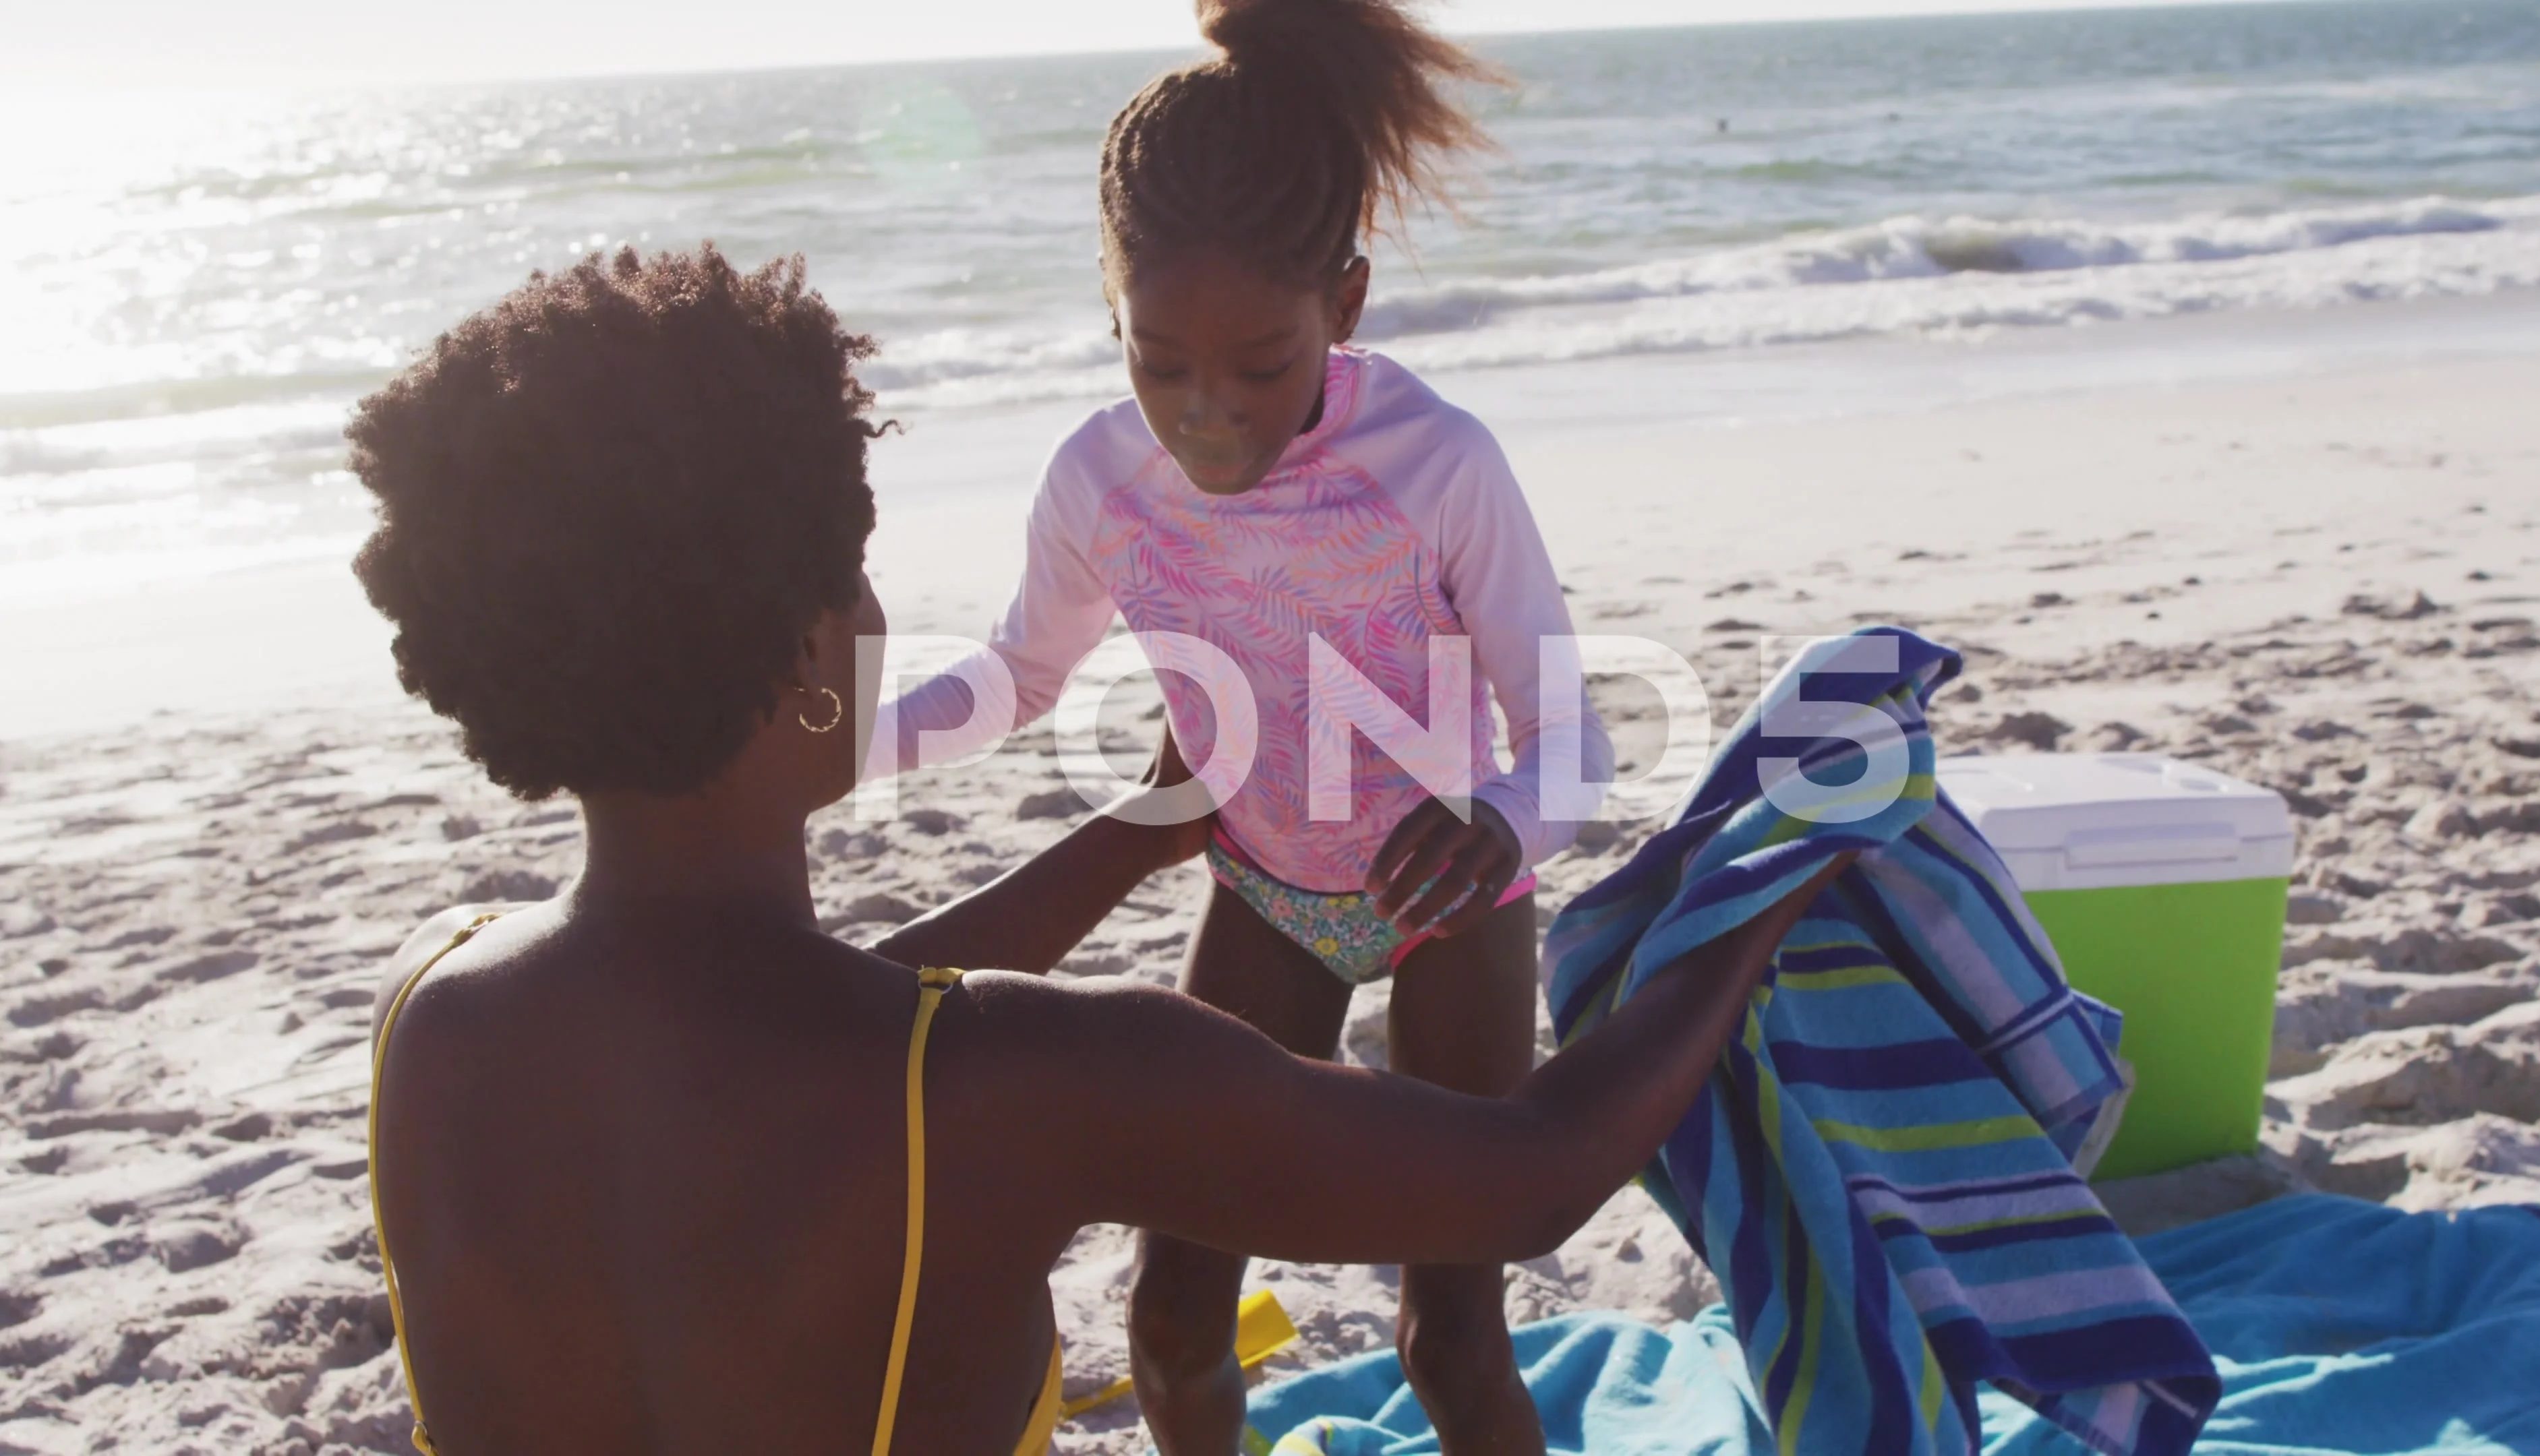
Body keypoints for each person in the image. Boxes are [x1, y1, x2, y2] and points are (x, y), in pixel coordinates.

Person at [351, 245, 1837, 1455]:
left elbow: (794, 1024)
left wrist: (1128, 839)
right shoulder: (1023, 1078)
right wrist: (1757, 887)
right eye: (856, 581)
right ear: (813, 646)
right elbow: (1528, 1178)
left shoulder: (440, 1012)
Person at [873, 5, 1609, 1449]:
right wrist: (838, 737)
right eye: (1159, 364)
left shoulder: (1436, 464)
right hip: (1261, 896)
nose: (1206, 417)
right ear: (1112, 317)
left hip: (1451, 911)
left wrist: (1500, 824)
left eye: (1259, 368)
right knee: (1167, 1315)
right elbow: (1019, 679)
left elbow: (1573, 734)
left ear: (1343, 302)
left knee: (1449, 1335)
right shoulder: (1100, 479)